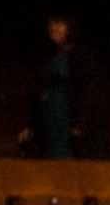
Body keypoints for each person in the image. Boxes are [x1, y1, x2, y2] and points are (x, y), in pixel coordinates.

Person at [35, 14, 86, 160]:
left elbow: (85, 90)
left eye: (59, 24)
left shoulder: (80, 56)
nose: (52, 28)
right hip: (51, 112)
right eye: (51, 24)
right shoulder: (51, 56)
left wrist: (80, 121)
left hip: (66, 113)